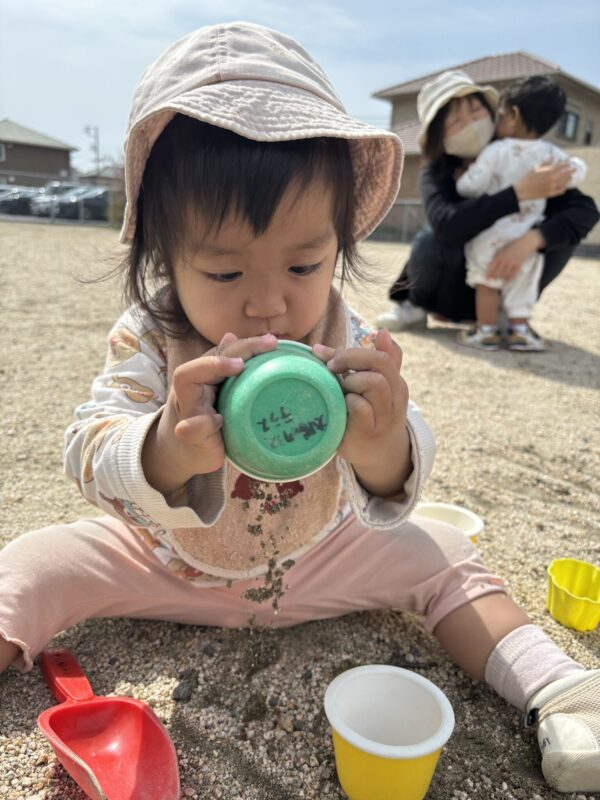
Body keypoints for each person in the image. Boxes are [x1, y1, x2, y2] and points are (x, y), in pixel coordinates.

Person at [0, 23, 598, 794]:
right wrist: (162, 449)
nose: (268, 303)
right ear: (164, 257)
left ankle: (560, 691)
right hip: (168, 562)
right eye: (223, 272)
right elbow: (87, 444)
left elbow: (404, 458)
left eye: (305, 263)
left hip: (322, 555)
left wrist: (382, 444)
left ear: (338, 247)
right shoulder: (150, 335)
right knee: (35, 565)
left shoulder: (345, 334)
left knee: (443, 554)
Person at [375, 70, 599, 333]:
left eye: (475, 110)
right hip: (449, 289)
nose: (470, 122)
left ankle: (506, 311)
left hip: (503, 278)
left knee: (562, 233)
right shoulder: (437, 171)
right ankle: (417, 306)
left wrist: (532, 240)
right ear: (439, 135)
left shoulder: (523, 158)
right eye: (455, 120)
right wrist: (517, 194)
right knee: (428, 239)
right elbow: (446, 224)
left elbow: (585, 212)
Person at [455, 76, 587, 352]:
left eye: (501, 115)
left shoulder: (495, 151)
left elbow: (471, 187)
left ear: (513, 114)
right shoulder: (552, 154)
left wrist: (462, 177)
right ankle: (520, 331)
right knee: (524, 283)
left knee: (486, 281)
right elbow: (577, 172)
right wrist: (572, 169)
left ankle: (487, 330)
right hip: (527, 231)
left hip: (492, 234)